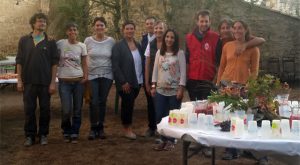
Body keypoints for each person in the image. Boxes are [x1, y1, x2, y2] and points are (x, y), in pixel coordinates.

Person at [16, 12, 59, 146]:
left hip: (45, 82)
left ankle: (43, 135)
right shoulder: (24, 40)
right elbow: (19, 61)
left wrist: (52, 82)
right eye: (40, 21)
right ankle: (30, 136)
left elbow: (54, 63)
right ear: (33, 23)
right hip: (28, 82)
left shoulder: (51, 41)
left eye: (45, 22)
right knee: (29, 110)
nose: (43, 24)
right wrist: (19, 80)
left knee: (45, 109)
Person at [151, 29, 186, 151]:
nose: (169, 39)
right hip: (160, 90)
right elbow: (155, 70)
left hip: (174, 91)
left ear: (175, 40)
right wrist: (153, 86)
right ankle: (163, 139)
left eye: (172, 37)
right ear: (164, 38)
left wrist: (181, 88)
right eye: (167, 37)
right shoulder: (159, 53)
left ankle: (172, 140)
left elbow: (183, 73)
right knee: (160, 115)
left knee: (173, 116)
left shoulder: (180, 53)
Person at [84, 17, 115, 140]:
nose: (99, 27)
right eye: (97, 25)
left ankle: (101, 128)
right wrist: (85, 73)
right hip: (92, 76)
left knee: (102, 101)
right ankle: (93, 128)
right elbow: (84, 57)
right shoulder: (88, 40)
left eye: (102, 25)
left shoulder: (111, 41)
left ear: (105, 27)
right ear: (94, 27)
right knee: (94, 101)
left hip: (107, 75)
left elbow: (114, 57)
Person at [112, 20, 144, 140]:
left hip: (137, 81)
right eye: (127, 29)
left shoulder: (138, 45)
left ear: (134, 30)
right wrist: (123, 82)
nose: (130, 31)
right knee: (128, 105)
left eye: (132, 28)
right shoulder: (118, 46)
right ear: (123, 30)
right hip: (125, 82)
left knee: (130, 103)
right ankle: (127, 129)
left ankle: (127, 127)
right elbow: (115, 66)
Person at [56, 23, 88, 143]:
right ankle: (66, 130)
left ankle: (75, 132)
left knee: (77, 109)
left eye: (75, 30)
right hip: (64, 82)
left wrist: (86, 76)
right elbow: (50, 50)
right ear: (66, 32)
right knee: (66, 109)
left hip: (78, 81)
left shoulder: (82, 46)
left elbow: (84, 62)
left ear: (77, 32)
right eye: (70, 30)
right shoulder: (60, 43)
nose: (72, 32)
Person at [143, 20, 167, 137]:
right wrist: (146, 82)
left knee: (165, 104)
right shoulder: (150, 44)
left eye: (160, 28)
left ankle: (164, 129)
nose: (158, 30)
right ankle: (152, 127)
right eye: (156, 28)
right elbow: (147, 64)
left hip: (167, 80)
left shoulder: (169, 43)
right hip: (153, 80)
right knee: (151, 104)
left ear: (165, 29)